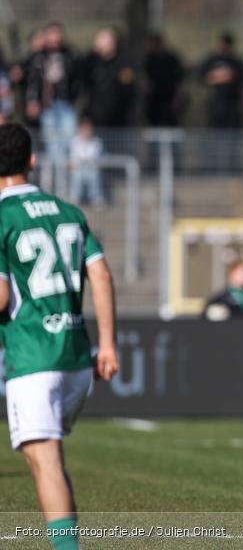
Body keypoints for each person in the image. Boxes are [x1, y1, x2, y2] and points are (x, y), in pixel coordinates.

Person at [0, 122, 119, 550]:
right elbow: (101, 273)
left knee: (44, 458)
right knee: (44, 456)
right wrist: (106, 344)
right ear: (32, 161)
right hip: (76, 359)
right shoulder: (68, 210)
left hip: (33, 355)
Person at [25, 23, 79, 192]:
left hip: (65, 106)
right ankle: (53, 188)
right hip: (47, 107)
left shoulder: (69, 55)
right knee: (53, 148)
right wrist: (32, 101)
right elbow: (32, 81)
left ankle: (66, 187)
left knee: (68, 147)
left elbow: (76, 80)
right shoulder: (38, 57)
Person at [81, 28, 137, 127]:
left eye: (102, 41)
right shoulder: (91, 62)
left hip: (119, 121)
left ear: (113, 43)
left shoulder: (124, 63)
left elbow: (128, 92)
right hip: (95, 119)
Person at [198, 32, 243, 129]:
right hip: (214, 103)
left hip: (232, 104)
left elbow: (242, 77)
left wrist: (229, 76)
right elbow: (201, 77)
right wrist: (216, 77)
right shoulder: (211, 60)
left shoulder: (236, 61)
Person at [144, 32, 185, 127]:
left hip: (169, 100)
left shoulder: (172, 59)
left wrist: (178, 97)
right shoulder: (149, 59)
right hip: (153, 101)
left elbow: (179, 80)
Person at [69, 117, 104, 206]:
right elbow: (74, 156)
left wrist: (83, 160)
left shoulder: (96, 141)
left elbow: (95, 156)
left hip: (91, 168)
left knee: (94, 175)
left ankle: (96, 199)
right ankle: (75, 198)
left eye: (88, 129)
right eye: (85, 129)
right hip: (79, 168)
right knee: (77, 175)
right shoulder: (74, 141)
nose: (86, 132)